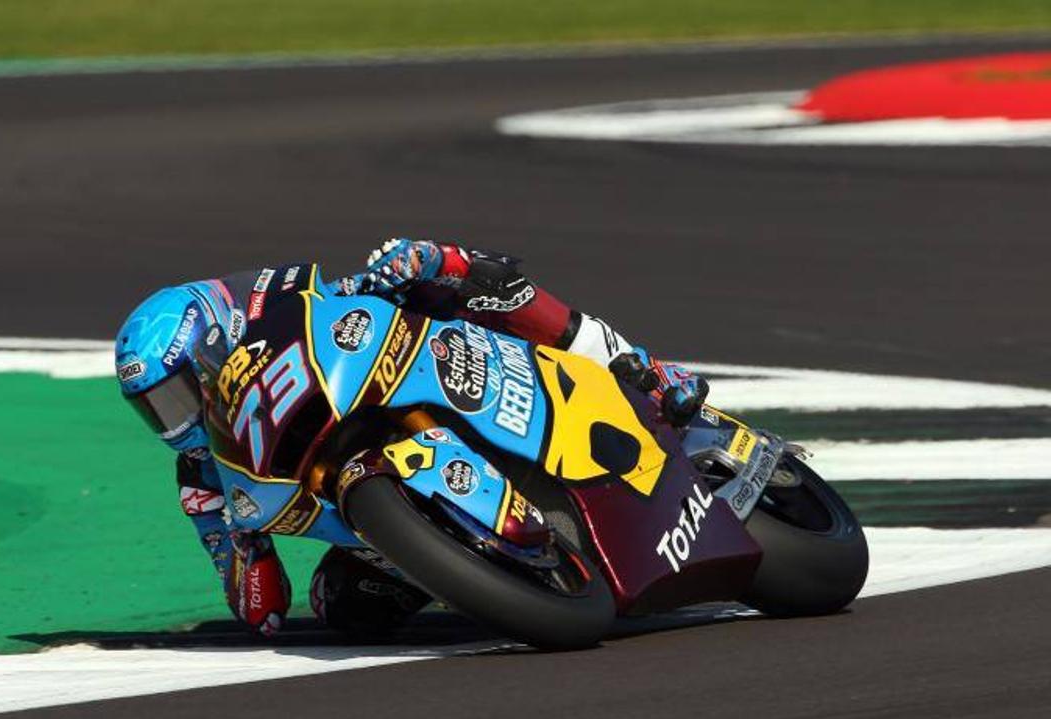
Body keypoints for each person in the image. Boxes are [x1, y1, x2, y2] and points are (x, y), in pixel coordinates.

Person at [114, 238, 708, 637]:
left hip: (428, 374)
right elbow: (261, 612)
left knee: (462, 277)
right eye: (156, 409)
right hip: (379, 507)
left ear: (213, 346)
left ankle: (647, 373)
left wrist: (413, 265)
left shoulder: (278, 297)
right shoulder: (203, 482)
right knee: (337, 606)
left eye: (179, 395)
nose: (175, 420)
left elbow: (354, 292)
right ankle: (472, 568)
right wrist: (247, 545)